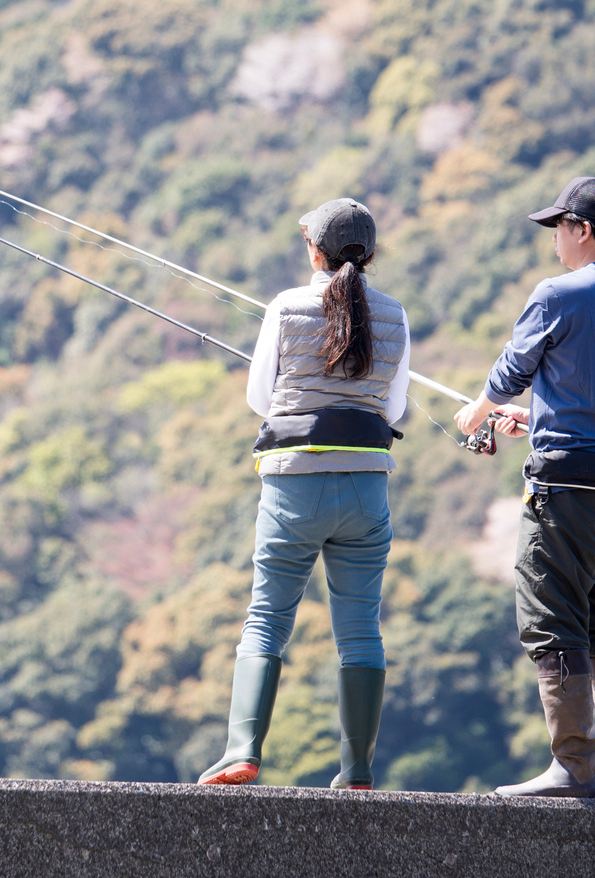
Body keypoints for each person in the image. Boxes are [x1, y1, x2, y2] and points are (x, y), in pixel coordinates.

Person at [454, 176, 595, 800]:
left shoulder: (558, 294)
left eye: (559, 229)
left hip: (563, 487)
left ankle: (571, 768)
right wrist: (539, 419)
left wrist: (481, 409)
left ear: (584, 230)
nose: (555, 243)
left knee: (550, 620)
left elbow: (515, 368)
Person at [198, 197, 412, 791]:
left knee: (267, 618)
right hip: (367, 489)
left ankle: (243, 751)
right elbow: (393, 408)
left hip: (293, 484)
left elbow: (259, 398)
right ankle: (358, 770)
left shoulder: (287, 306)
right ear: (368, 255)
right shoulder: (395, 314)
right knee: (361, 628)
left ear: (314, 250)